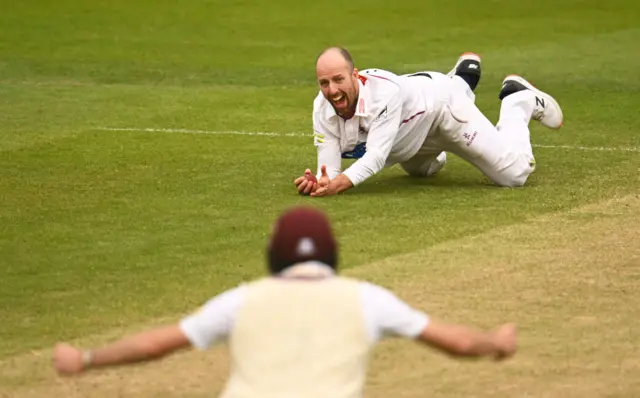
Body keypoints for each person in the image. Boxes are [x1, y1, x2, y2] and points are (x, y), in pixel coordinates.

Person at [53, 206, 517, 398]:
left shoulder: (242, 299)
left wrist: (88, 358)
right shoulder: (366, 299)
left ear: (273, 255)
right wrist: (492, 343)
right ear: (333, 254)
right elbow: (453, 342)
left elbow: (156, 344)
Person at [294, 47, 563, 197]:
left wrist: (338, 185)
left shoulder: (384, 94)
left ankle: (518, 99)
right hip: (413, 134)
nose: (331, 90)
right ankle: (461, 79)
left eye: (338, 79)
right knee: (421, 171)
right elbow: (328, 167)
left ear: (354, 75)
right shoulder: (321, 108)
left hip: (445, 112)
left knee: (514, 175)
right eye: (324, 83)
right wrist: (320, 181)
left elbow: (376, 158)